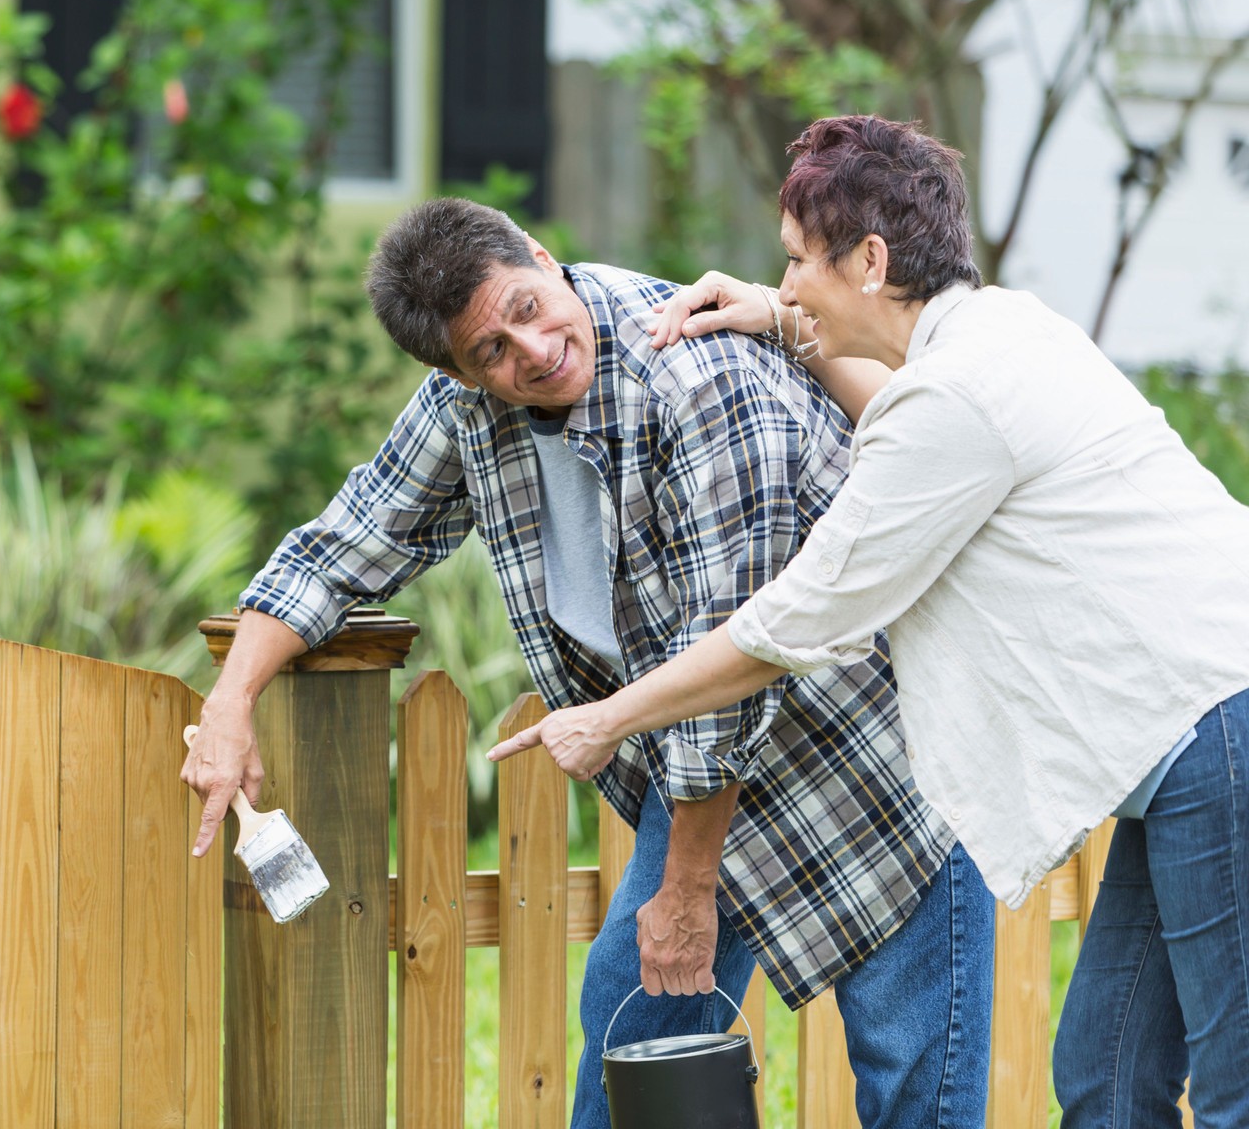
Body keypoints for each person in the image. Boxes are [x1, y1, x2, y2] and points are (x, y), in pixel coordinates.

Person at [492, 113, 1249, 1125]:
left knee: (1234, 1082)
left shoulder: (962, 397)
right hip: (1190, 745)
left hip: (1221, 729)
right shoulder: (993, 334)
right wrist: (773, 315)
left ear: (872, 258)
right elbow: (900, 411)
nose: (791, 280)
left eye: (799, 259)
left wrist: (611, 714)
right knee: (1107, 1075)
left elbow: (793, 622)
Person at [181, 196, 994, 1128]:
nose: (528, 351)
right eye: (490, 351)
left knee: (910, 1085)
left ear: (540, 254)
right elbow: (348, 542)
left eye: (527, 308)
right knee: (631, 1040)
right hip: (706, 769)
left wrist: (686, 891)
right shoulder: (469, 406)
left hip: (881, 758)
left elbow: (731, 656)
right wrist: (233, 698)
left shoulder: (694, 375)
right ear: (456, 371)